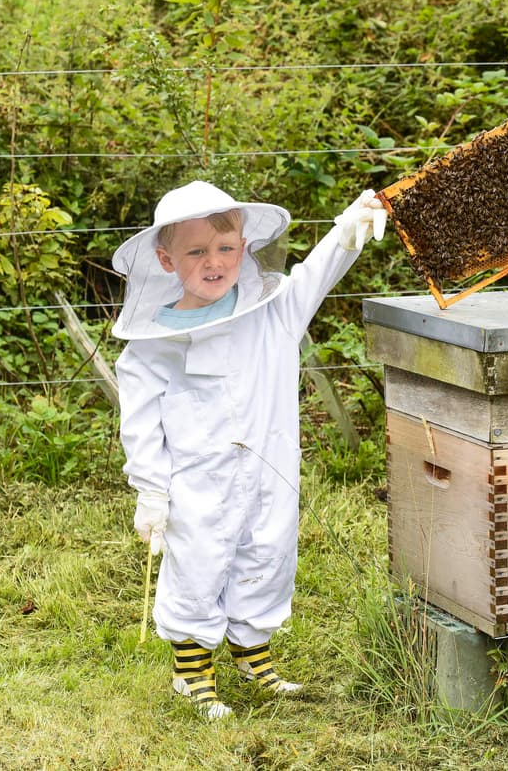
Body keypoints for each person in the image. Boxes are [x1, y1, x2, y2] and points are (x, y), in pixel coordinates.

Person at [111, 180, 386, 720]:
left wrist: (347, 232)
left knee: (268, 554)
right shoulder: (152, 342)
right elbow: (139, 423)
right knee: (199, 564)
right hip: (197, 480)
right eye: (196, 252)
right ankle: (191, 674)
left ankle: (252, 657)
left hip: (269, 467)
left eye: (225, 249)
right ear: (166, 260)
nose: (213, 262)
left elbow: (314, 277)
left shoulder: (273, 313)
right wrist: (151, 490)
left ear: (245, 249)